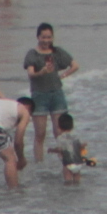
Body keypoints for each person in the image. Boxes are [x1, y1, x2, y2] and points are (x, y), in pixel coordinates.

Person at [21, 23, 76, 169]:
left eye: (49, 37)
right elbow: (31, 74)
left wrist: (63, 75)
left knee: (60, 133)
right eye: (43, 37)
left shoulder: (57, 53)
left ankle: (65, 164)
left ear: (52, 37)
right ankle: (40, 165)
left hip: (57, 94)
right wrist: (42, 72)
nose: (46, 40)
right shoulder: (32, 54)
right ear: (38, 37)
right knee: (40, 133)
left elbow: (75, 65)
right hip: (39, 96)